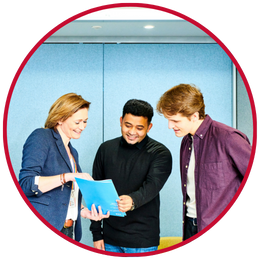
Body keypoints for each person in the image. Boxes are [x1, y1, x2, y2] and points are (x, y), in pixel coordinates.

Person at [156, 84, 252, 240]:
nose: (169, 126)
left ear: (194, 116)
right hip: (189, 226)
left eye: (175, 120)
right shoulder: (186, 142)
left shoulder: (229, 138)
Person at [19, 93, 109, 242]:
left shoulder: (73, 152)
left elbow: (65, 195)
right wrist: (68, 176)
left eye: (85, 121)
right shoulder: (42, 137)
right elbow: (26, 184)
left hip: (69, 230)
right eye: (77, 122)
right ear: (60, 118)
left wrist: (84, 211)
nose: (82, 127)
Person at [90, 99, 172, 257]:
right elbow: (96, 192)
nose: (132, 132)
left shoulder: (160, 153)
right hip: (109, 239)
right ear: (121, 121)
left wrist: (133, 200)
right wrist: (96, 233)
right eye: (128, 125)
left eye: (140, 128)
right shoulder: (105, 149)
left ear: (149, 127)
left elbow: (152, 186)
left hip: (142, 242)